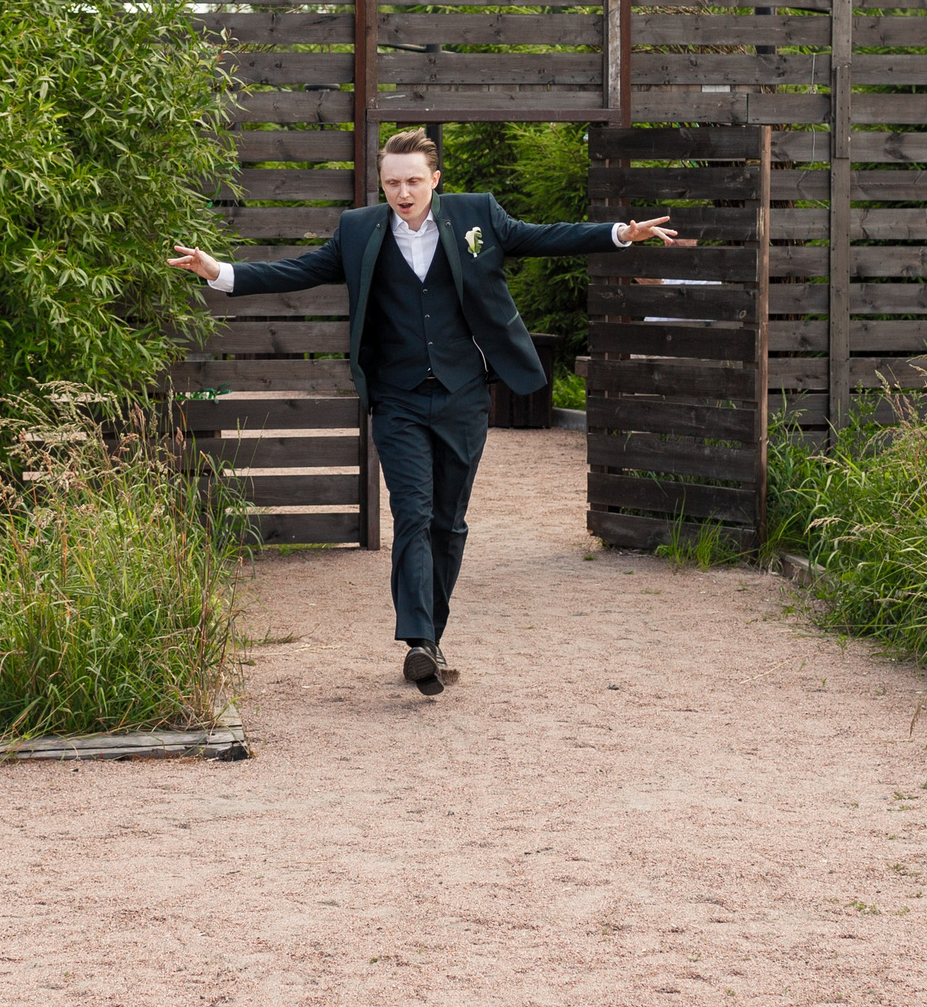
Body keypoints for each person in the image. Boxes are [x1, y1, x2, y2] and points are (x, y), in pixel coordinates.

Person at [168, 127, 676, 697]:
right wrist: (220, 272)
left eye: (413, 180)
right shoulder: (359, 231)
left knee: (448, 522)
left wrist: (619, 234)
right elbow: (300, 270)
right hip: (397, 396)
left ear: (434, 179)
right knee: (411, 511)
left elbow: (544, 237)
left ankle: (431, 636)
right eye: (392, 182)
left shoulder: (478, 216)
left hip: (463, 395)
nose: (403, 191)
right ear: (381, 184)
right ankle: (416, 641)